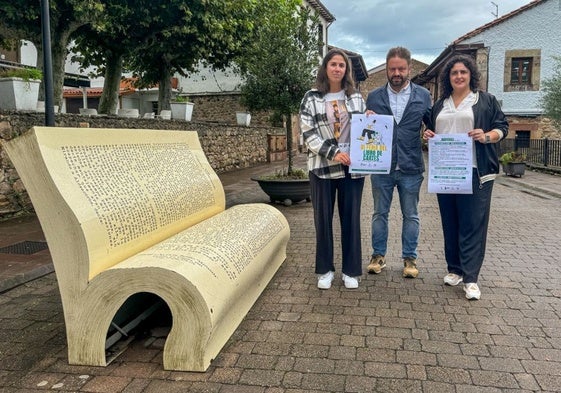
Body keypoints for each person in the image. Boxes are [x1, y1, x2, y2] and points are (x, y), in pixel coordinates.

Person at [423, 54, 508, 300]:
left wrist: (487, 136)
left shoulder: (485, 101)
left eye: (463, 72)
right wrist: (427, 134)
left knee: (472, 224)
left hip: (475, 172)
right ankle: (455, 269)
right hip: (446, 172)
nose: (459, 76)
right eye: (454, 73)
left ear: (471, 75)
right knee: (450, 222)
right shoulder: (440, 104)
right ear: (448, 78)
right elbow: (429, 127)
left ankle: (471, 278)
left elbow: (502, 127)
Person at [299, 48, 366, 290]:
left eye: (342, 65)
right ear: (325, 68)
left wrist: (370, 119)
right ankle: (325, 269)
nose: (338, 68)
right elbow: (308, 133)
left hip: (352, 169)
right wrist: (334, 153)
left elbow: (364, 130)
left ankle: (351, 271)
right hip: (322, 168)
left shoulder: (356, 97)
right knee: (323, 221)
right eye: (333, 64)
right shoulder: (311, 97)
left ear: (346, 70)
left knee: (351, 220)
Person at [365, 47, 431, 278]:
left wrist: (430, 135)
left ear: (409, 69)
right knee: (379, 213)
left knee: (411, 215)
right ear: (386, 69)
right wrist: (366, 121)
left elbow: (432, 125)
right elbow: (364, 130)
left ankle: (409, 259)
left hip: (411, 165)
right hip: (381, 167)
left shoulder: (423, 95)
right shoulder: (373, 96)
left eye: (401, 69)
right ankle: (378, 256)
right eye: (392, 68)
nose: (396, 73)